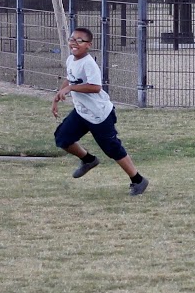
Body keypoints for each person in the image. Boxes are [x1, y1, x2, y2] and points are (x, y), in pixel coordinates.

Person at [53, 27, 148, 196]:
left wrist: (70, 88)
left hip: (100, 115)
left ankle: (138, 180)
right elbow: (69, 78)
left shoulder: (89, 63)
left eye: (80, 40)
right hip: (82, 113)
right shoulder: (70, 59)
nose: (74, 43)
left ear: (88, 45)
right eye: (72, 39)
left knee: (112, 149)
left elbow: (95, 87)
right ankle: (88, 160)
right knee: (62, 138)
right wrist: (58, 96)